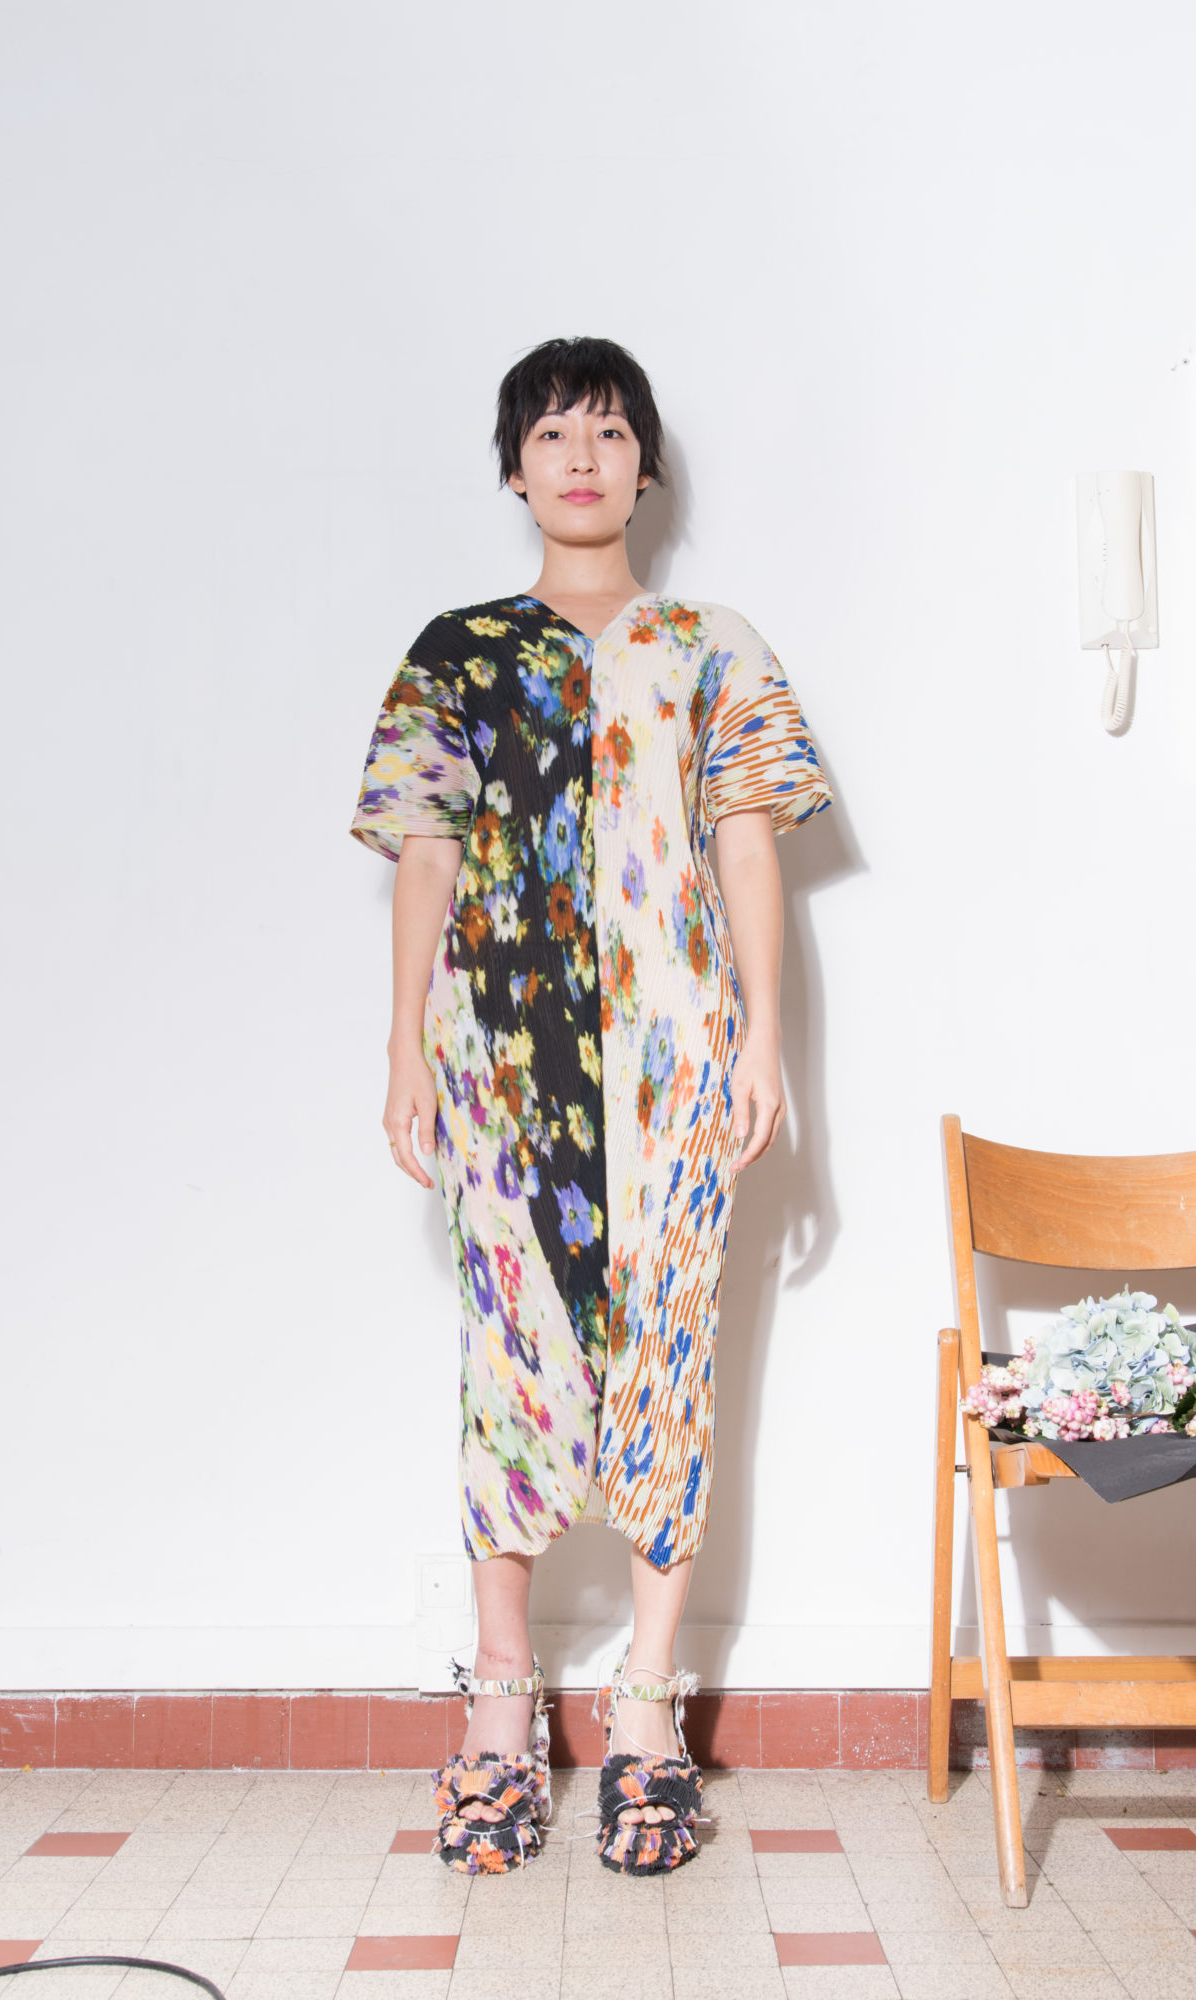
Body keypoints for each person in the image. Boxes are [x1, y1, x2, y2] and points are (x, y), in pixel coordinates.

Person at [350, 336, 834, 1876]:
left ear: (645, 467)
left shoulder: (713, 645)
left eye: (610, 432)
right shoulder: (457, 652)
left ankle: (646, 1712)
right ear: (514, 469)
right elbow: (426, 852)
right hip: (504, 1071)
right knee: (510, 1365)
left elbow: (749, 843)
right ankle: (501, 1703)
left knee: (671, 1362)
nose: (581, 457)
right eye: (553, 433)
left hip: (677, 1062)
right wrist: (406, 1048)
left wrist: (765, 1043)